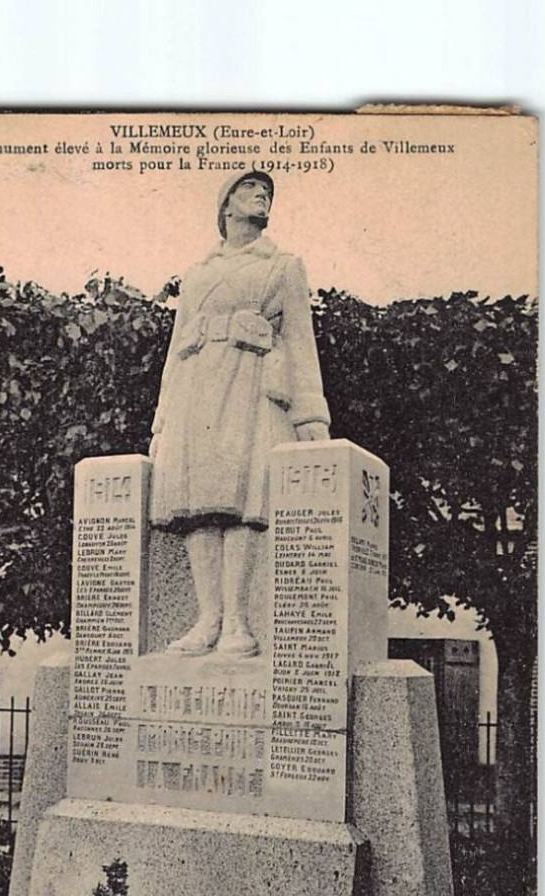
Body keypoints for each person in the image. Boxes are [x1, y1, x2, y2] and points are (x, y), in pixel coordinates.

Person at [149, 170, 331, 657]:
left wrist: (311, 415)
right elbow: (174, 351)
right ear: (226, 205)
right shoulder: (198, 274)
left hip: (253, 385)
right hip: (196, 389)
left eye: (267, 192)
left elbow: (300, 341)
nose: (262, 196)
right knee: (199, 508)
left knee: (246, 505)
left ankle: (238, 622)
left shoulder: (284, 266)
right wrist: (162, 420)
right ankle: (208, 618)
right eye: (251, 189)